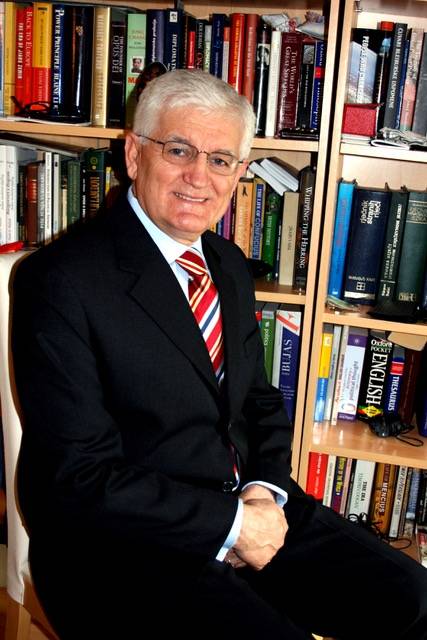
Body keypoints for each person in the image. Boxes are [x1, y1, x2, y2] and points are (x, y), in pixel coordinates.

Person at [12, 69, 427, 640]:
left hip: (245, 505)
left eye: (221, 160)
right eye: (178, 150)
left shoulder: (226, 263)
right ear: (134, 154)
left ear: (239, 172)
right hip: (122, 546)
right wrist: (231, 524)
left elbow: (259, 402)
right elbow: (80, 477)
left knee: (413, 599)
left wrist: (263, 493)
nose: (198, 177)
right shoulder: (60, 281)